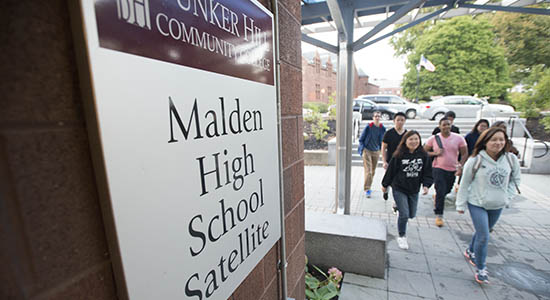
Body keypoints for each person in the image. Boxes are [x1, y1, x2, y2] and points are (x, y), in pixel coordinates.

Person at [456, 127, 521, 284]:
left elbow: (515, 180)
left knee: (481, 232)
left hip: (498, 204)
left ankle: (470, 250)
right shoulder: (475, 160)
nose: (498, 143)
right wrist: (460, 204)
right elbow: (464, 183)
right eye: (493, 140)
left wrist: (507, 196)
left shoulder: (511, 159)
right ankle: (481, 268)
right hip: (477, 203)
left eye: (501, 139)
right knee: (484, 235)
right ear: (485, 142)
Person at [382, 131, 433, 250]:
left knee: (411, 214)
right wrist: (385, 185)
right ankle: (402, 236)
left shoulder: (423, 155)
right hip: (399, 187)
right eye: (411, 139)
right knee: (404, 214)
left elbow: (427, 172)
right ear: (405, 141)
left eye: (416, 139)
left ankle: (399, 209)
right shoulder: (398, 155)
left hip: (414, 189)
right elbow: (391, 171)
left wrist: (426, 185)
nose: (414, 142)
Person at [424, 117, 468, 227]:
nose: (446, 127)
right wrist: (435, 153)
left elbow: (464, 153)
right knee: (441, 190)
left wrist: (460, 165)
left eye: (448, 124)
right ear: (439, 126)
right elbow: (424, 152)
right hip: (438, 168)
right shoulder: (434, 139)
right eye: (444, 125)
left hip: (452, 169)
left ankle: (439, 196)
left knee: (447, 190)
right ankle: (439, 215)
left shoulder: (458, 138)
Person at [381, 112, 407, 212]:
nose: (400, 122)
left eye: (402, 120)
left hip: (402, 163)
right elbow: (383, 148)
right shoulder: (389, 133)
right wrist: (384, 161)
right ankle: (385, 190)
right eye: (398, 120)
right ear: (394, 121)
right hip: (390, 162)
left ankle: (396, 203)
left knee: (398, 183)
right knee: (388, 180)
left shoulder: (406, 134)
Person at [358, 111, 386, 198]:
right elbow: (361, 139)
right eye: (375, 116)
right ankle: (367, 189)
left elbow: (383, 141)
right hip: (367, 150)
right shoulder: (369, 127)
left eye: (379, 116)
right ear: (373, 118)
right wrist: (362, 149)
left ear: (380, 118)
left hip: (376, 151)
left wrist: (382, 150)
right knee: (369, 171)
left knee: (372, 171)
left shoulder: (382, 128)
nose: (377, 118)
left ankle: (368, 184)